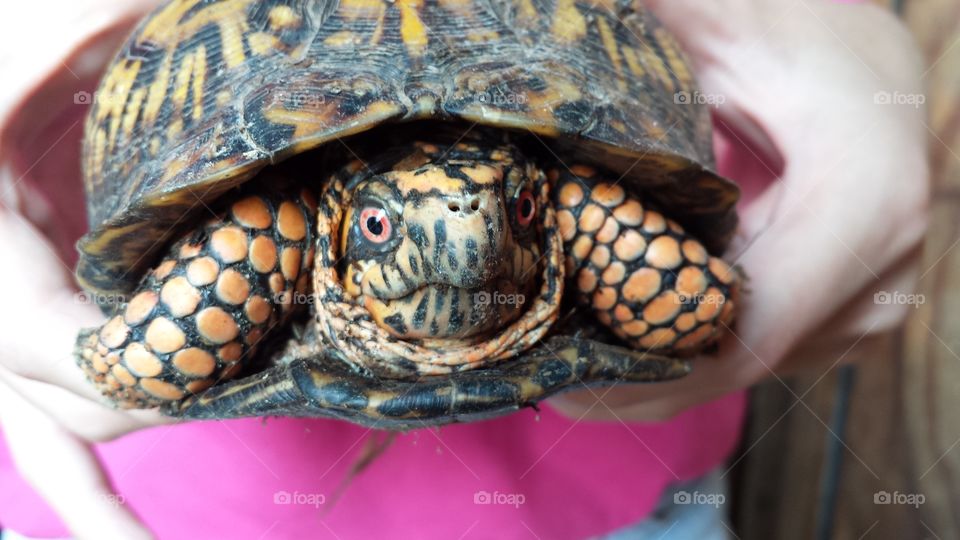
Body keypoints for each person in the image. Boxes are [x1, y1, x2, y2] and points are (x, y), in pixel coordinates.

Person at [0, 0, 928, 538]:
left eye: (517, 212)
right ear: (334, 232)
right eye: (376, 226)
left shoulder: (579, 211)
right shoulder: (269, 229)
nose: (464, 242)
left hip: (632, 494)